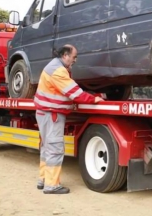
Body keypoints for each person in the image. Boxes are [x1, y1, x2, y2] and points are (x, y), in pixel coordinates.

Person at [34, 44, 104, 194]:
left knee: (47, 148)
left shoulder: (54, 67)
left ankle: (44, 180)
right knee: (55, 149)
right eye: (74, 57)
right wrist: (94, 99)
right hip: (51, 114)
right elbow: (75, 93)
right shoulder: (58, 71)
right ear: (65, 55)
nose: (75, 60)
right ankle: (51, 185)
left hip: (45, 113)